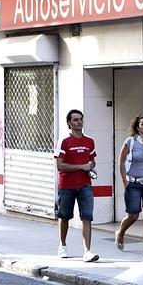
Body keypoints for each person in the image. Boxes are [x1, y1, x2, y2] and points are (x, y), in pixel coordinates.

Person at [54, 109, 99, 262]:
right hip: (67, 185)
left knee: (87, 216)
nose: (79, 122)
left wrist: (90, 167)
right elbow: (60, 165)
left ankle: (87, 251)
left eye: (80, 119)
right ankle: (63, 245)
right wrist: (81, 166)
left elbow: (92, 161)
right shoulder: (64, 141)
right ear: (69, 123)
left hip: (85, 185)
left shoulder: (89, 141)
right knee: (64, 216)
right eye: (75, 120)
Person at [115, 114, 143, 255]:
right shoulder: (131, 141)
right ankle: (120, 232)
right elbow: (121, 161)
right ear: (137, 127)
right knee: (133, 215)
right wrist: (124, 180)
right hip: (133, 182)